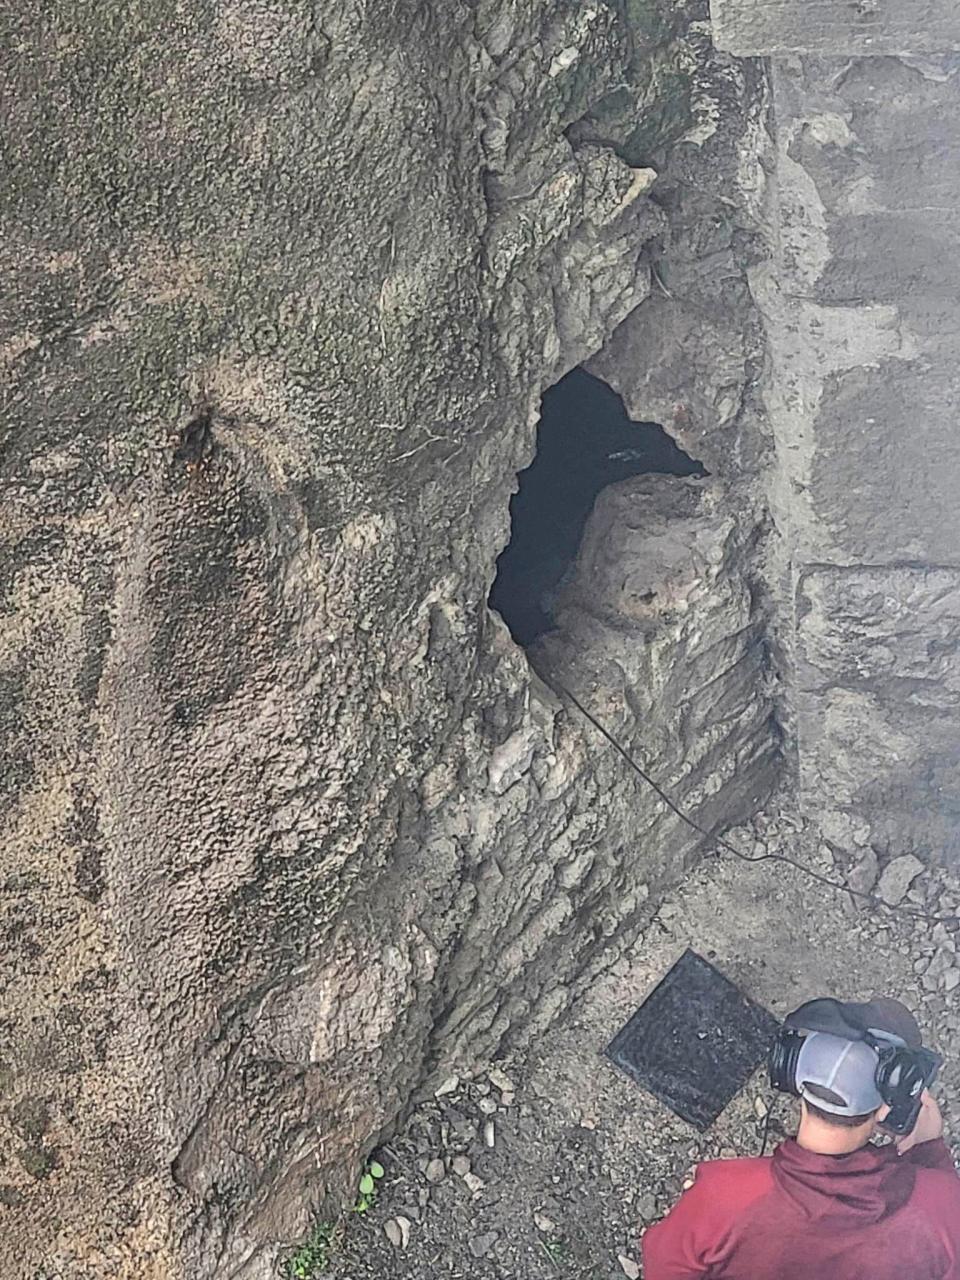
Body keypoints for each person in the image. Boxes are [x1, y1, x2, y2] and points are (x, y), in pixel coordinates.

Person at [643, 996, 960, 1279]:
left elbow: (664, 1268)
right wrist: (929, 1154)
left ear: (792, 1076)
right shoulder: (941, 1209)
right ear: (887, 1109)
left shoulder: (722, 1194)